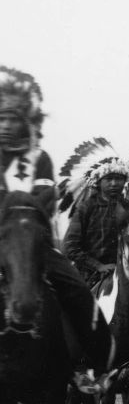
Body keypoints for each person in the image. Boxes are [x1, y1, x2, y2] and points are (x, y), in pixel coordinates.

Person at [0, 66, 95, 347]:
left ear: (26, 123)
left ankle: (94, 364)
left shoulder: (39, 159)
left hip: (33, 245)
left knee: (78, 290)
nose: (5, 126)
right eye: (1, 119)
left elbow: (44, 202)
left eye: (12, 119)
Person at [61, 145, 129, 290]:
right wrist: (98, 266)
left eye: (118, 179)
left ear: (125, 181)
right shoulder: (86, 208)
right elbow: (70, 247)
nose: (114, 183)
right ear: (98, 181)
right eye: (109, 179)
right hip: (90, 278)